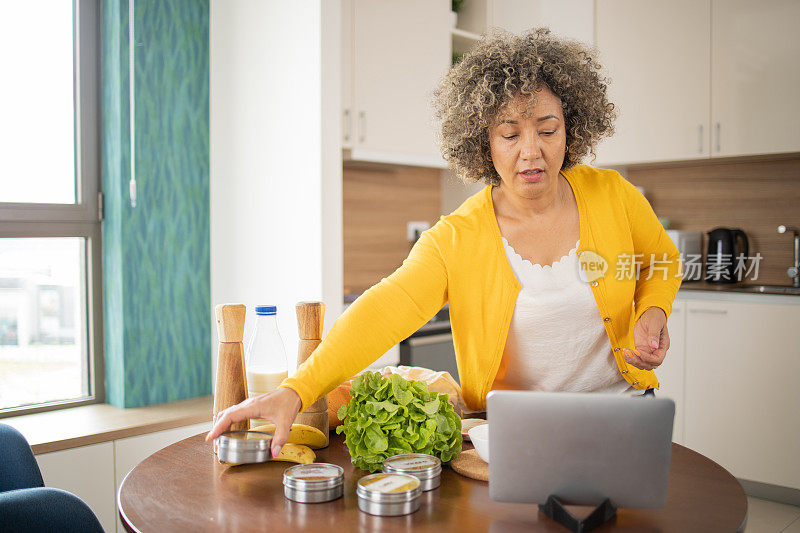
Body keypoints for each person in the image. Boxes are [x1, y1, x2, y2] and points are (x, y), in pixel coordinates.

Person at [208, 28, 682, 456]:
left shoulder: (613, 194)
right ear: (484, 144)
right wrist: (296, 390)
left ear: (571, 128)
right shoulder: (456, 237)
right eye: (509, 134)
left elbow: (662, 260)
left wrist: (654, 312)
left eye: (547, 129)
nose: (531, 150)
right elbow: (384, 308)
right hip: (518, 438)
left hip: (624, 418)